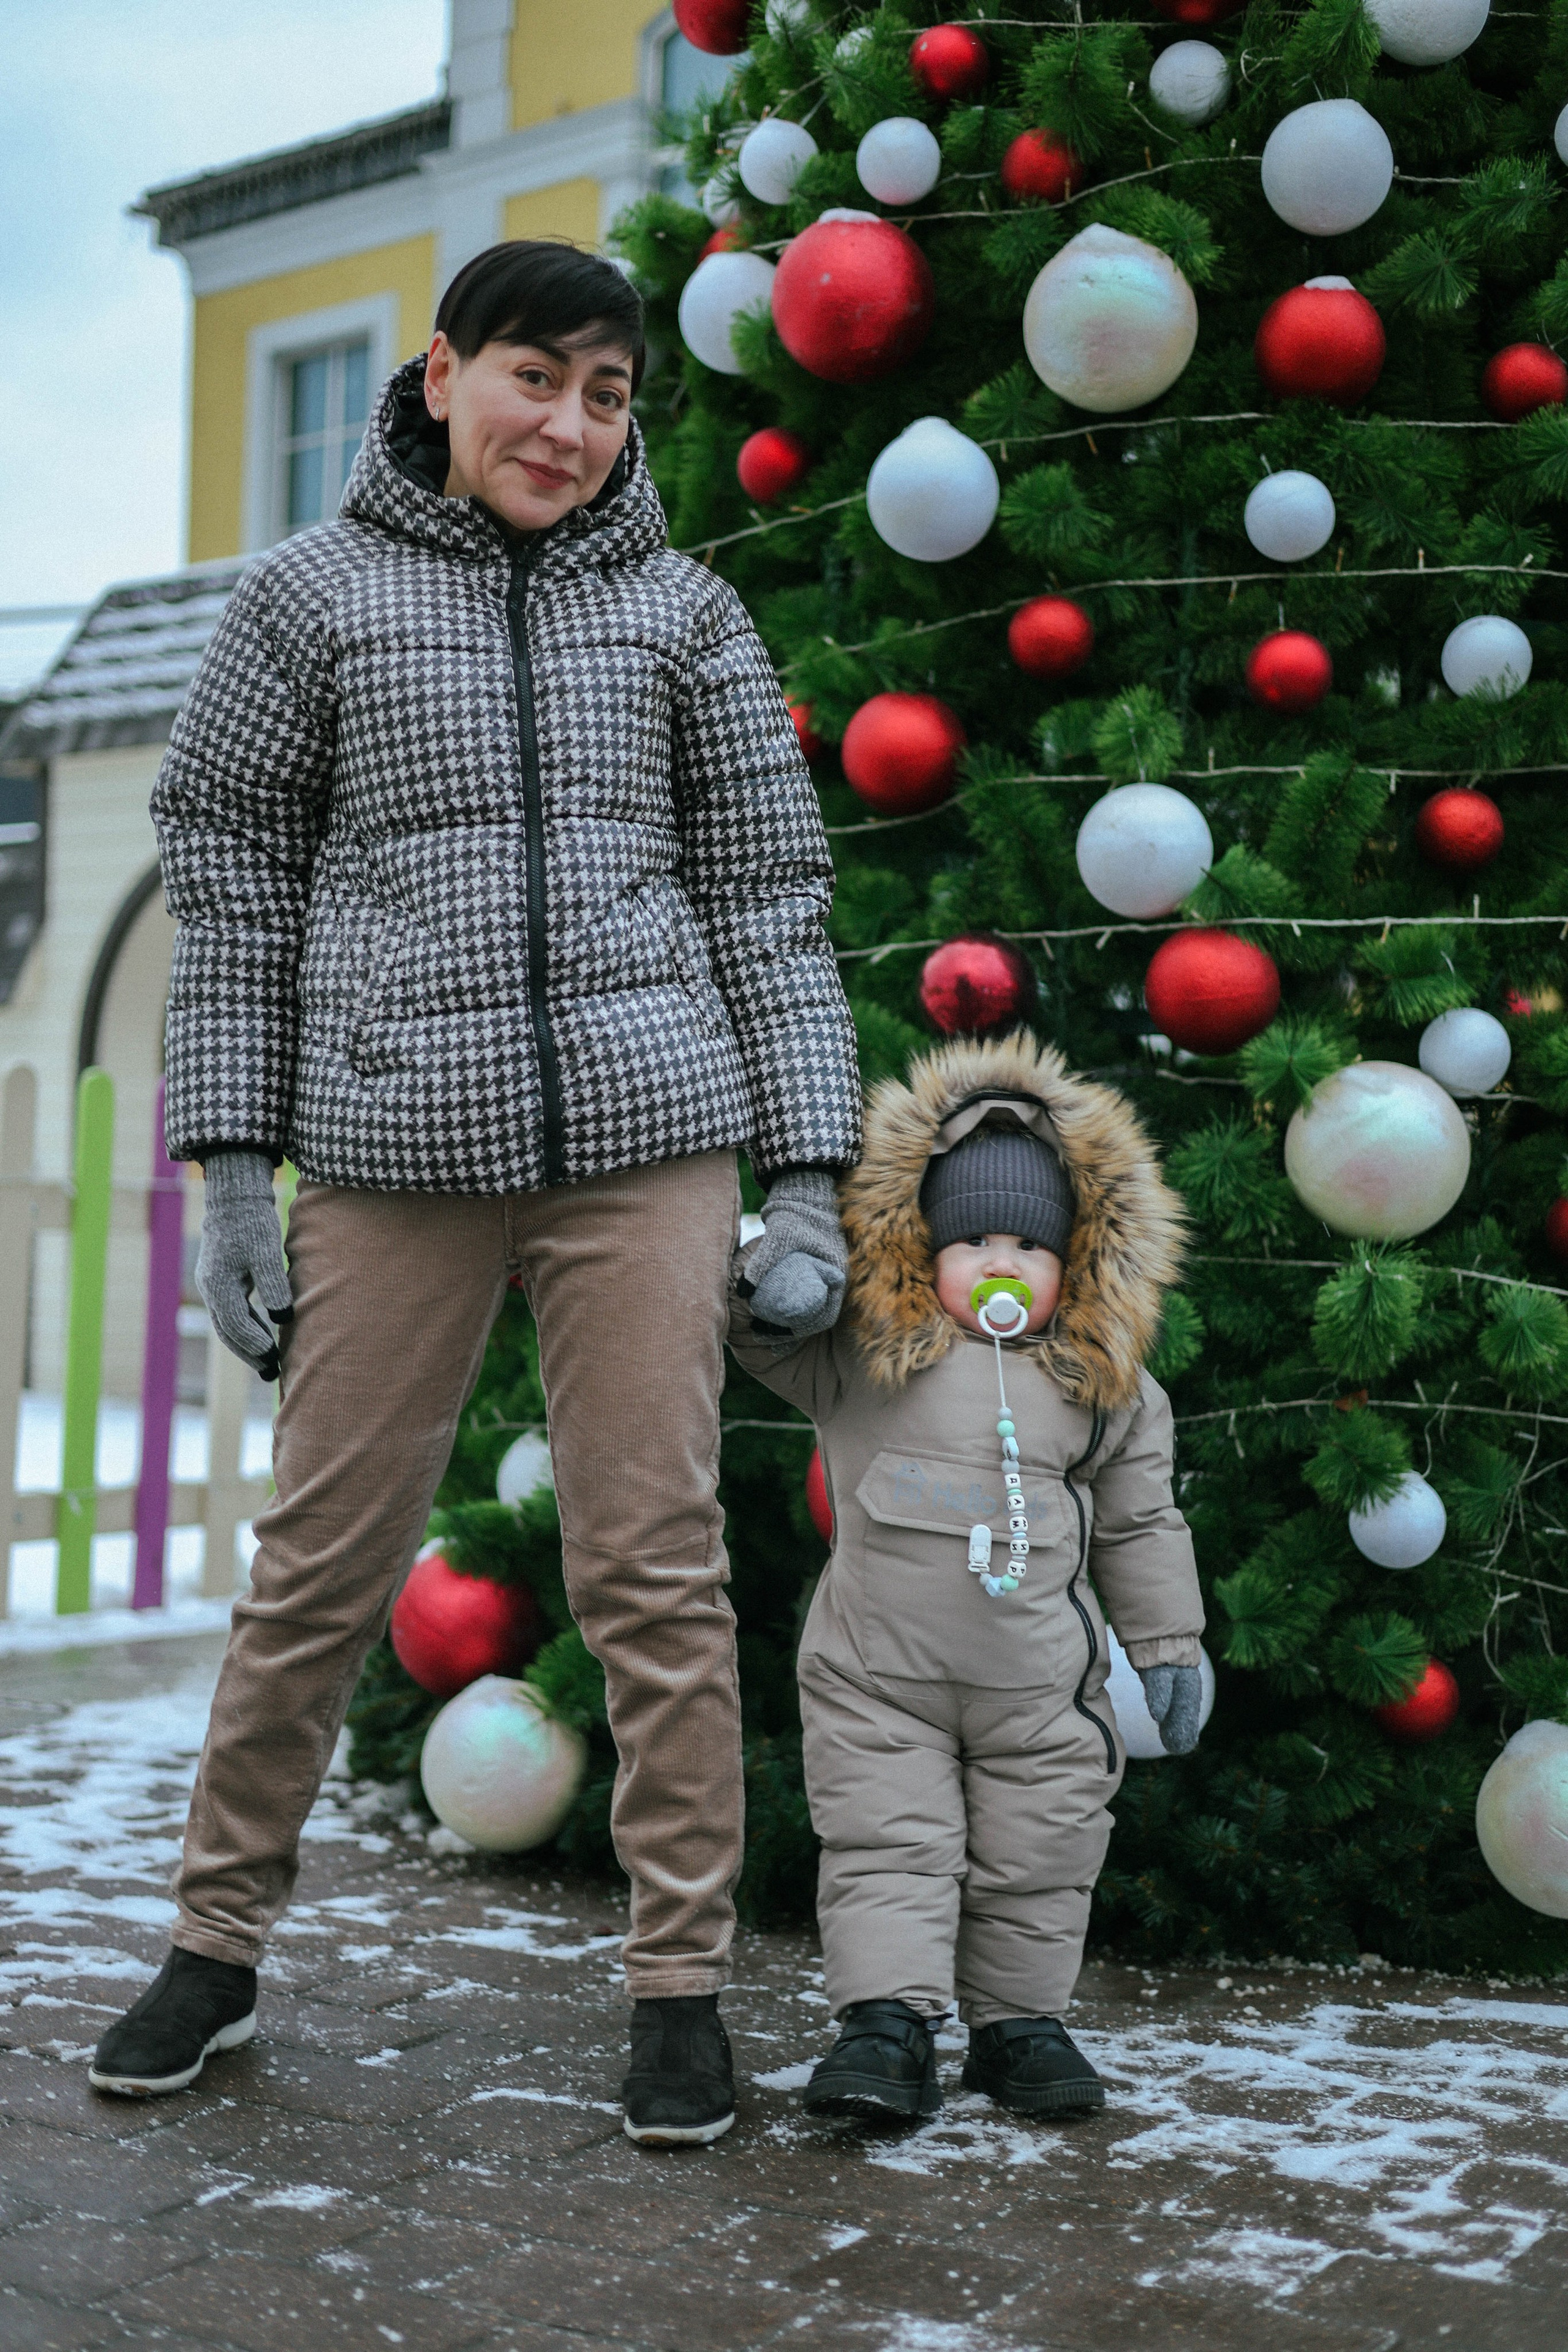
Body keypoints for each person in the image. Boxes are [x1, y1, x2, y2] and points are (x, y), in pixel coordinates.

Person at [89, 241, 861, 2145]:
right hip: (387, 1142)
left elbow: (771, 901)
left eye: (611, 397)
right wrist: (231, 1177)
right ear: (440, 376)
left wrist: (814, 1178)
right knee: (320, 1566)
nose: (572, 427)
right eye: (537, 377)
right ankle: (213, 1944)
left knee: (654, 1568)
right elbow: (238, 888)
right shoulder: (306, 601)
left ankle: (680, 1985)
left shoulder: (685, 615)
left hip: (646, 1140)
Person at [729, 1029, 1204, 2121]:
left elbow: (1141, 1522)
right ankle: (886, 2025)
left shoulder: (1106, 1387)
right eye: (973, 1239)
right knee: (889, 1847)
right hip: (876, 1678)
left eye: (1031, 1248)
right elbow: (750, 1333)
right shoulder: (862, 1353)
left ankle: (1019, 2027)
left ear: (1076, 1261)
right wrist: (778, 1283)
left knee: (1042, 1854)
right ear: (918, 1247)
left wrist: (1167, 1645)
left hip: (1040, 1690)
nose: (1002, 1263)